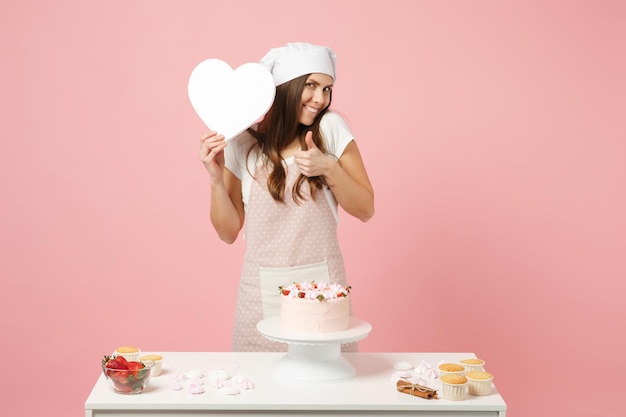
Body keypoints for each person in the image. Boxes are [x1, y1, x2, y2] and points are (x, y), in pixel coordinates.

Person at [199, 42, 374, 351]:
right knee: (259, 391)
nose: (321, 99)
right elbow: (227, 232)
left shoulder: (330, 129)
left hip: (323, 296)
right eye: (311, 85)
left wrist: (329, 168)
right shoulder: (242, 143)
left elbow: (365, 208)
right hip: (260, 296)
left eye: (327, 89)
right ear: (285, 87)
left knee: (326, 388)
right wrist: (215, 179)